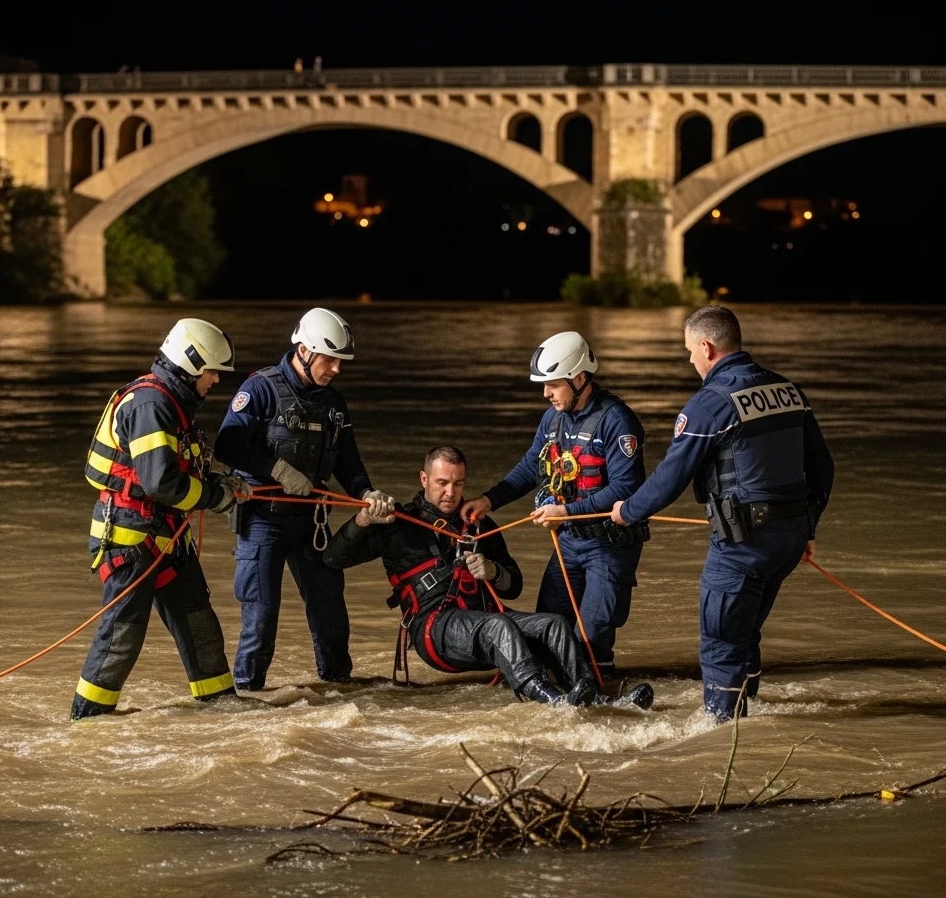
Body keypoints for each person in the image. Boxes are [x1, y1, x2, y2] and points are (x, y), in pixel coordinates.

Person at [610, 305, 835, 721]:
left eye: (690, 352)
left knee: (719, 640)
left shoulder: (709, 405)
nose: (690, 361)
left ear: (707, 347)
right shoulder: (788, 391)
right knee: (744, 631)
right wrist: (807, 529)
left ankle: (720, 733)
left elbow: (671, 478)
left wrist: (628, 511)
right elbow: (823, 469)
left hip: (744, 543)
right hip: (787, 540)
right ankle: (751, 719)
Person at [324, 446, 643, 706]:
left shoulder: (478, 524)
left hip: (485, 623)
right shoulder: (397, 524)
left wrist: (492, 571)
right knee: (498, 625)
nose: (451, 492)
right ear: (424, 479)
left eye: (459, 484)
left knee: (553, 624)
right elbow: (334, 558)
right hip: (434, 631)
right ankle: (554, 701)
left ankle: (596, 698)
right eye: (442, 483)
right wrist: (361, 520)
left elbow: (514, 585)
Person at [71, 319, 249, 720]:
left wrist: (216, 481)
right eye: (212, 370)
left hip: (165, 537)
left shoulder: (170, 402)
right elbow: (160, 484)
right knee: (122, 634)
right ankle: (88, 721)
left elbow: (174, 470)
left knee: (198, 622)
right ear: (190, 363)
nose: (217, 380)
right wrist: (216, 497)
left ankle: (223, 711)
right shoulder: (152, 405)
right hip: (131, 541)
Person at [214, 308, 392, 689]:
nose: (336, 369)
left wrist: (365, 493)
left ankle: (338, 692)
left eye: (340, 361)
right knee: (260, 622)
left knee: (331, 617)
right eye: (329, 360)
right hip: (263, 522)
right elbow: (227, 445)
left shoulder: (333, 404)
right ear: (303, 350)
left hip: (312, 524)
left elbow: (348, 462)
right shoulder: (259, 389)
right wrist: (275, 469)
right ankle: (246, 698)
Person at [461, 331, 651, 685]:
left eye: (553, 385)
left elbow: (627, 488)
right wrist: (488, 500)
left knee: (590, 641)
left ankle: (600, 701)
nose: (546, 394)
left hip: (609, 546)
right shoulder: (552, 419)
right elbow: (529, 468)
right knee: (547, 631)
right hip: (569, 543)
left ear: (580, 378)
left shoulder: (617, 420)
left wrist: (565, 513)